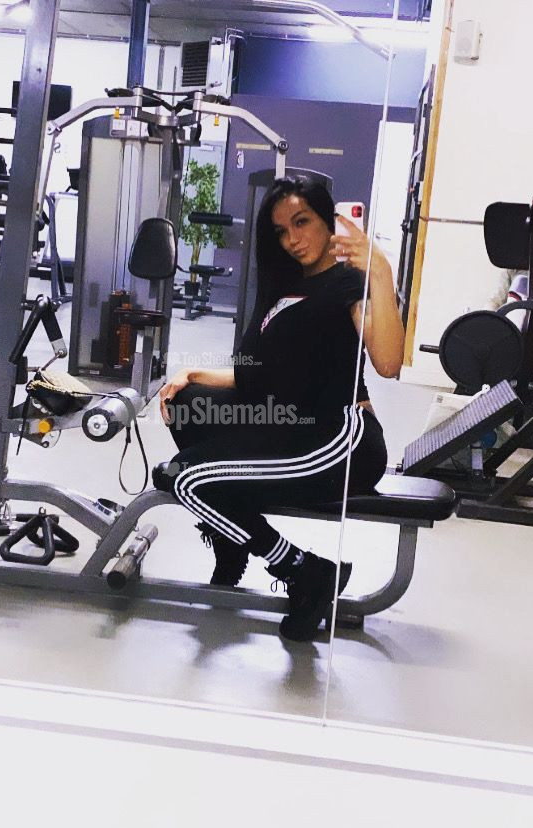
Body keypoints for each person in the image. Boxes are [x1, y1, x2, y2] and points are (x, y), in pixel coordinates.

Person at [157, 176, 405, 641]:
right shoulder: (287, 284)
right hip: (289, 425)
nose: (292, 239)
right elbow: (261, 374)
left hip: (339, 439)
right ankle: (233, 538)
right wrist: (193, 375)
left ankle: (305, 571)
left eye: (302, 222)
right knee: (187, 405)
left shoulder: (348, 284)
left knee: (184, 479)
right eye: (281, 231)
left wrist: (381, 272)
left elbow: (389, 363)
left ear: (328, 219)